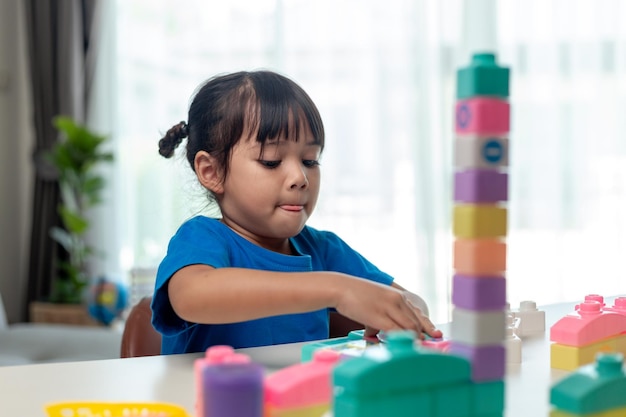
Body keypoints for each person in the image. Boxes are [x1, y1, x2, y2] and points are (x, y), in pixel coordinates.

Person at [152, 70, 442, 354]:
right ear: (211, 171)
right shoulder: (203, 238)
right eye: (271, 161)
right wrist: (336, 289)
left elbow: (408, 303)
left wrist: (404, 312)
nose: (300, 177)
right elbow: (191, 296)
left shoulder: (323, 250)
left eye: (310, 160)